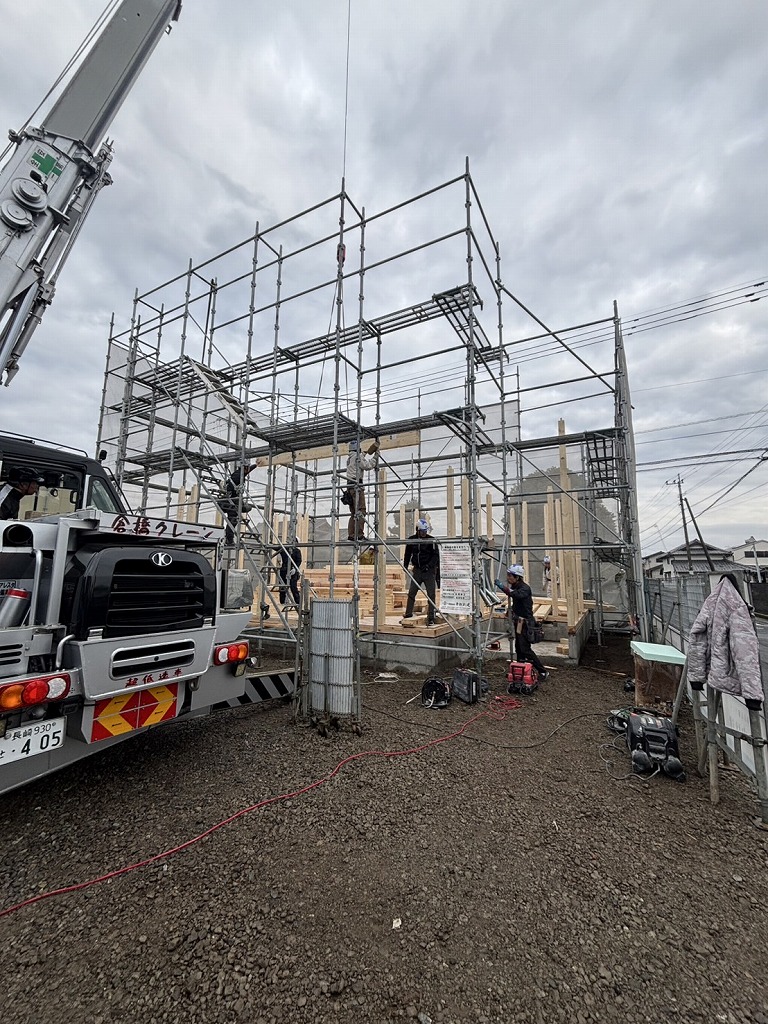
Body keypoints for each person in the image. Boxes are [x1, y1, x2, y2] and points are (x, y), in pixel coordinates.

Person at [688, 573, 763, 710]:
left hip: (713, 670)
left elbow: (697, 640)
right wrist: (753, 696)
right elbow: (745, 651)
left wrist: (696, 678)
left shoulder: (710, 605)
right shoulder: (737, 608)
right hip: (729, 674)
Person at [496, 564, 548, 679]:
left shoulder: (524, 588)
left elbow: (516, 595)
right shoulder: (516, 586)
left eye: (510, 576)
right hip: (519, 621)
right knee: (518, 647)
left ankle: (542, 671)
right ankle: (520, 670)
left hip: (526, 623)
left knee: (525, 649)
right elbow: (516, 600)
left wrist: (502, 587)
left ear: (517, 577)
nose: (508, 578)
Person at [402, 518, 440, 626]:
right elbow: (408, 553)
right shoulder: (412, 540)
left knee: (431, 594)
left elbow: (436, 556)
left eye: (425, 531)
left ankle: (431, 618)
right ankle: (408, 613)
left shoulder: (431, 540)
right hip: (417, 570)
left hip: (429, 571)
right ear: (417, 530)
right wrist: (405, 565)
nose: (424, 533)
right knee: (412, 592)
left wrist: (429, 566)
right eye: (422, 531)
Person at [344, 437, 379, 541]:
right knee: (361, 511)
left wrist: (364, 454)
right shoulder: (357, 457)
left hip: (349, 486)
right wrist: (375, 457)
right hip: (357, 486)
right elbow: (367, 466)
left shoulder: (350, 458)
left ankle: (351, 535)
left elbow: (358, 461)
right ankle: (359, 535)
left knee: (353, 513)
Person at [220, 462, 258, 544]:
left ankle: (229, 538)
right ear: (244, 468)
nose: (248, 470)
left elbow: (248, 470)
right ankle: (229, 539)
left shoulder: (240, 473)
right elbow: (230, 485)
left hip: (233, 500)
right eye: (247, 468)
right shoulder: (238, 476)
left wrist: (255, 465)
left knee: (234, 519)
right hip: (232, 501)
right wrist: (230, 491)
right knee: (233, 520)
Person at [278, 542, 302, 606]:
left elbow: (299, 561)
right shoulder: (284, 549)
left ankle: (298, 602)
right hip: (284, 569)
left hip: (292, 570)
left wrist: (295, 568)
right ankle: (282, 601)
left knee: (293, 587)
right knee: (282, 586)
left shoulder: (297, 551)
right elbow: (277, 548)